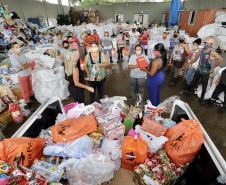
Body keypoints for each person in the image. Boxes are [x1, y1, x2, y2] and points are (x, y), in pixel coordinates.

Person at [187, 38, 223, 102]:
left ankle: (202, 97)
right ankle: (190, 91)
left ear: (211, 45)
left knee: (204, 85)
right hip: (199, 70)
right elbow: (195, 59)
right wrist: (189, 63)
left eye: (208, 43)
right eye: (205, 43)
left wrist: (213, 68)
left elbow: (221, 59)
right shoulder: (201, 50)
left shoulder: (212, 52)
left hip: (206, 72)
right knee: (194, 82)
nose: (206, 44)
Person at [10, 42, 36, 111]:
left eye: (19, 47)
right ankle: (29, 105)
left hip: (28, 73)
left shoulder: (22, 54)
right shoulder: (13, 57)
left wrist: (26, 65)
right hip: (22, 76)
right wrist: (26, 65)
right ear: (12, 48)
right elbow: (22, 67)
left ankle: (32, 99)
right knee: (25, 90)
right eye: (16, 47)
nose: (18, 48)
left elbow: (29, 63)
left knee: (30, 88)